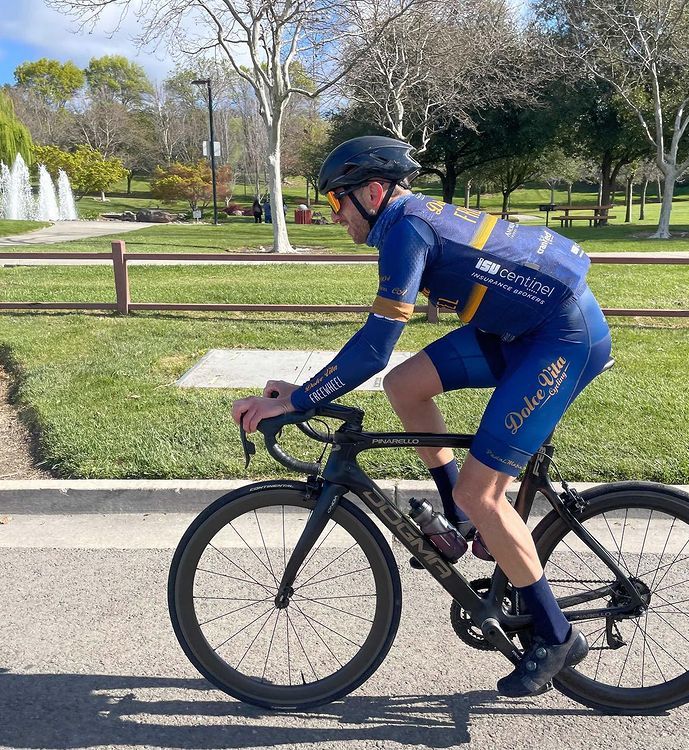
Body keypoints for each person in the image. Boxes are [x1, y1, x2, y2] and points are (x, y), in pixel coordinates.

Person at [231, 136, 611, 698]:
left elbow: (373, 347)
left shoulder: (407, 231)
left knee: (485, 494)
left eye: (338, 204)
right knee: (404, 387)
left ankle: (556, 636)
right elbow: (384, 362)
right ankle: (462, 520)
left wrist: (295, 400)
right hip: (521, 329)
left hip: (560, 337)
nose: (336, 217)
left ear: (374, 192)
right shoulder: (404, 221)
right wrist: (305, 392)